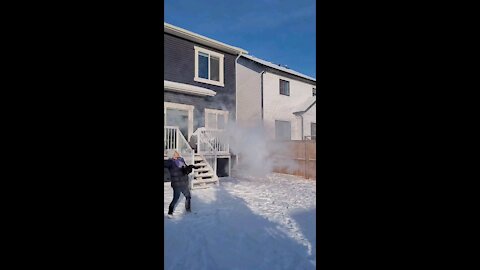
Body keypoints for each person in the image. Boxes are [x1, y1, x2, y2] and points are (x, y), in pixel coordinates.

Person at [164, 150, 195, 218]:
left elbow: (185, 169)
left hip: (184, 182)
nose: (177, 153)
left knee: (188, 196)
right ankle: (170, 212)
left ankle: (188, 209)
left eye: (176, 152)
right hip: (177, 184)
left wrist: (189, 168)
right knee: (175, 198)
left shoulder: (181, 160)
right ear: (172, 155)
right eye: (175, 153)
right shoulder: (170, 162)